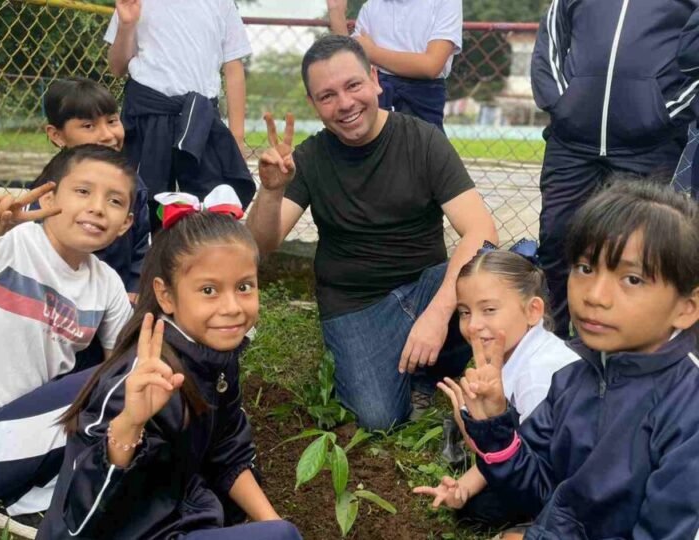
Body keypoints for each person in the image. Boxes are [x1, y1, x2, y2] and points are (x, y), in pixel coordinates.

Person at [247, 35, 497, 431]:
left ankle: (429, 373)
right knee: (378, 418)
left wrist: (437, 313)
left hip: (424, 285)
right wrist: (272, 191)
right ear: (314, 104)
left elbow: (482, 230)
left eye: (353, 85)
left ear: (375, 79)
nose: (344, 104)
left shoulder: (423, 140)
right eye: (327, 96)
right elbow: (258, 246)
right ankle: (404, 361)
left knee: (495, 275)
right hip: (354, 304)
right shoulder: (309, 159)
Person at [38, 188, 301, 540]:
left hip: (178, 515)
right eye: (209, 290)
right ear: (166, 295)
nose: (232, 307)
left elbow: (227, 451)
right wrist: (130, 423)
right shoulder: (140, 379)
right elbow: (79, 520)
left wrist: (274, 522)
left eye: (244, 287)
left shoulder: (216, 357)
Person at [456, 181, 699, 539]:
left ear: (686, 308)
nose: (595, 296)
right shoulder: (573, 372)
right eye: (585, 268)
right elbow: (540, 491)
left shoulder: (687, 407)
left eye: (631, 278)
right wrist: (495, 429)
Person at [0, 145, 135, 530]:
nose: (97, 207)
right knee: (122, 378)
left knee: (129, 377)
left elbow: (125, 367)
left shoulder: (107, 285)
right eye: (82, 192)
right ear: (48, 197)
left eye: (113, 200)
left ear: (126, 224)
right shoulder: (8, 242)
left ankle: (23, 500)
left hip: (16, 439)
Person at [531, 0, 699, 338]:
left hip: (650, 147)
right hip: (571, 144)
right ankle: (558, 347)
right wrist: (564, 104)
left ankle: (627, 353)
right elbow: (551, 37)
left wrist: (665, 112)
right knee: (557, 239)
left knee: (640, 253)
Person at [413, 247, 579, 526]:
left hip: (565, 481)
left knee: (482, 509)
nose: (474, 325)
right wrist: (463, 486)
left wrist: (469, 426)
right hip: (536, 465)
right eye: (464, 312)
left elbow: (526, 459)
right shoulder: (510, 356)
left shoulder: (538, 377)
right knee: (471, 505)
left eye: (489, 310)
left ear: (532, 310)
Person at [104, 0, 256, 230]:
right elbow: (116, 67)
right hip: (147, 116)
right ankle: (142, 262)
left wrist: (236, 137)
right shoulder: (135, 3)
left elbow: (233, 68)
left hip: (200, 120)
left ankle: (201, 263)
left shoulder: (222, 3)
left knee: (210, 211)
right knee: (141, 205)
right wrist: (126, 24)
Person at [42, 76, 150, 301]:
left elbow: (141, 248)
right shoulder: (49, 189)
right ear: (56, 135)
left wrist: (134, 290)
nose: (107, 135)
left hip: (118, 299)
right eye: (88, 126)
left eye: (112, 121)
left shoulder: (132, 185)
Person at [327, 0, 462, 131]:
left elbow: (431, 66)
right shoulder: (371, 7)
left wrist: (372, 53)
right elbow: (351, 67)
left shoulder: (445, 2)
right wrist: (336, 12)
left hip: (423, 102)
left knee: (425, 151)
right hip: (378, 100)